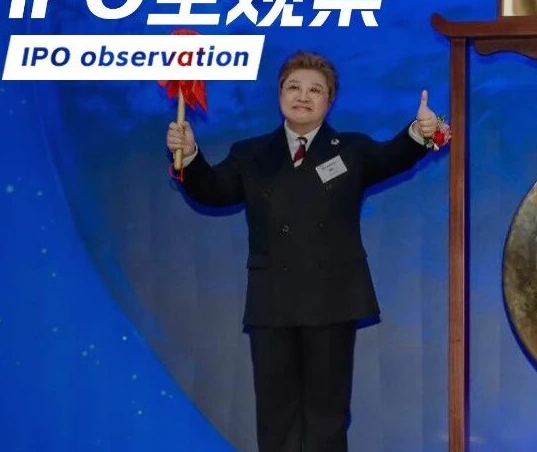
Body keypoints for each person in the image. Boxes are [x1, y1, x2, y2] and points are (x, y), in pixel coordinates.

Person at [165, 51, 449, 452]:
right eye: (293, 87)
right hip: (272, 303)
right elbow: (213, 190)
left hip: (332, 300)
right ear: (279, 94)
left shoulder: (350, 150)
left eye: (315, 90)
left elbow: (393, 155)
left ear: (329, 101)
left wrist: (421, 132)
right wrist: (191, 157)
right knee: (275, 419)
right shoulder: (250, 154)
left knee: (326, 419)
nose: (303, 96)